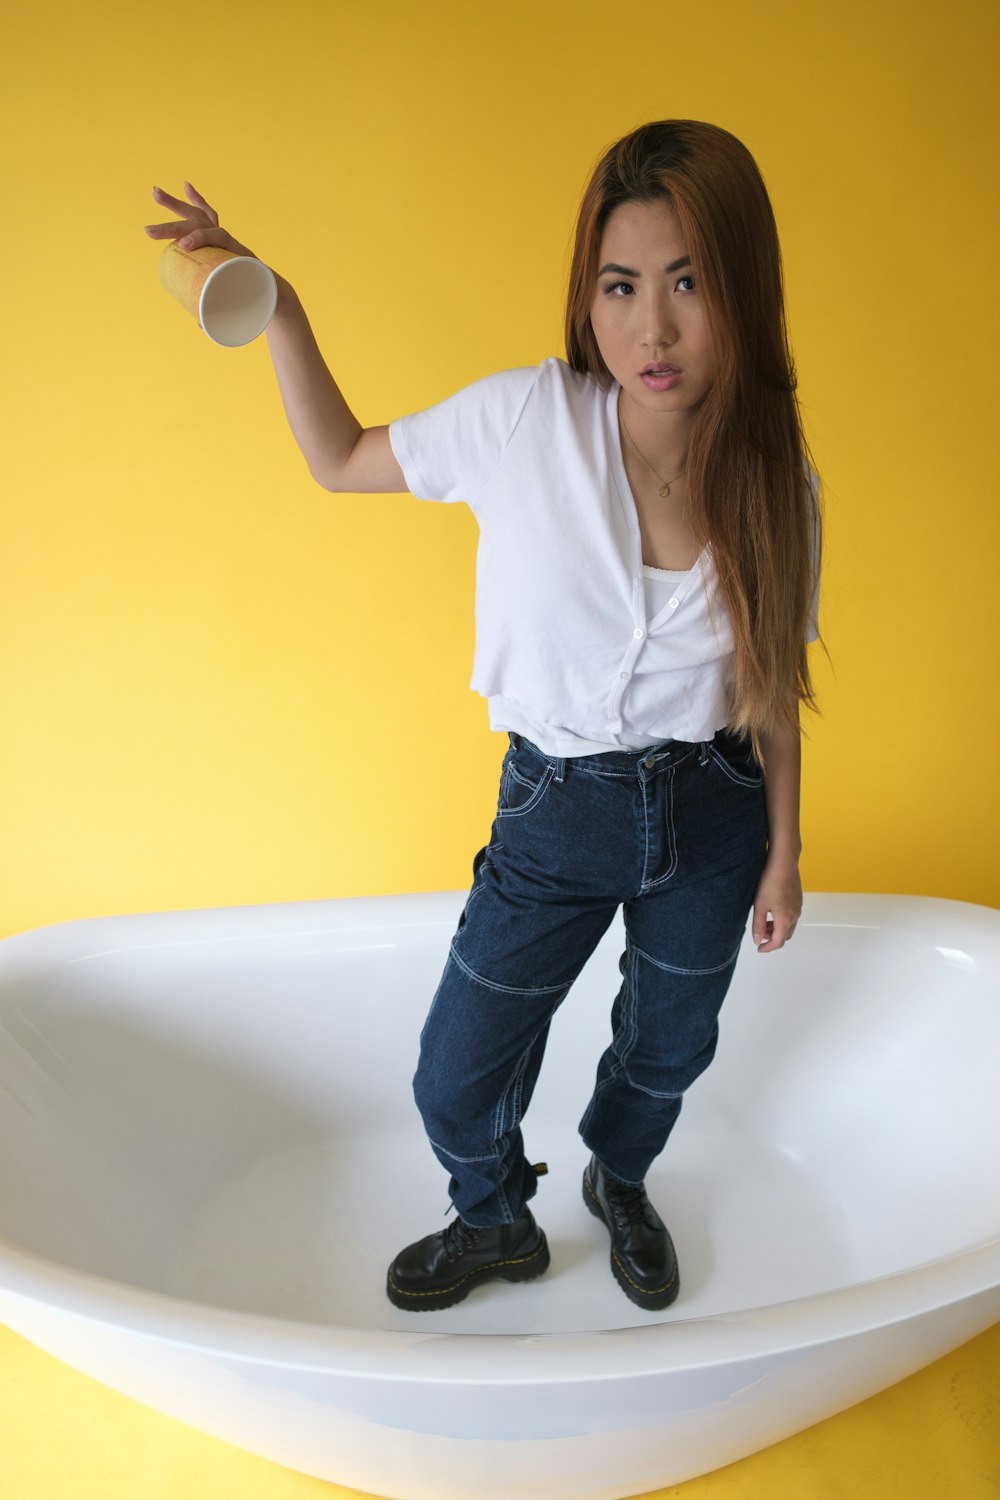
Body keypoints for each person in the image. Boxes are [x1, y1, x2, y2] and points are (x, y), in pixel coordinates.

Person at [144, 118, 822, 1317]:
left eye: (687, 285)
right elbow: (344, 457)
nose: (650, 329)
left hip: (714, 817)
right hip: (556, 812)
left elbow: (775, 692)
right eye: (620, 287)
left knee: (668, 1047)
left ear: (743, 290)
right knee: (453, 1075)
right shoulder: (525, 422)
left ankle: (621, 1178)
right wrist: (285, 311)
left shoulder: (779, 479)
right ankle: (496, 1217)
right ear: (586, 293)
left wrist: (783, 851)